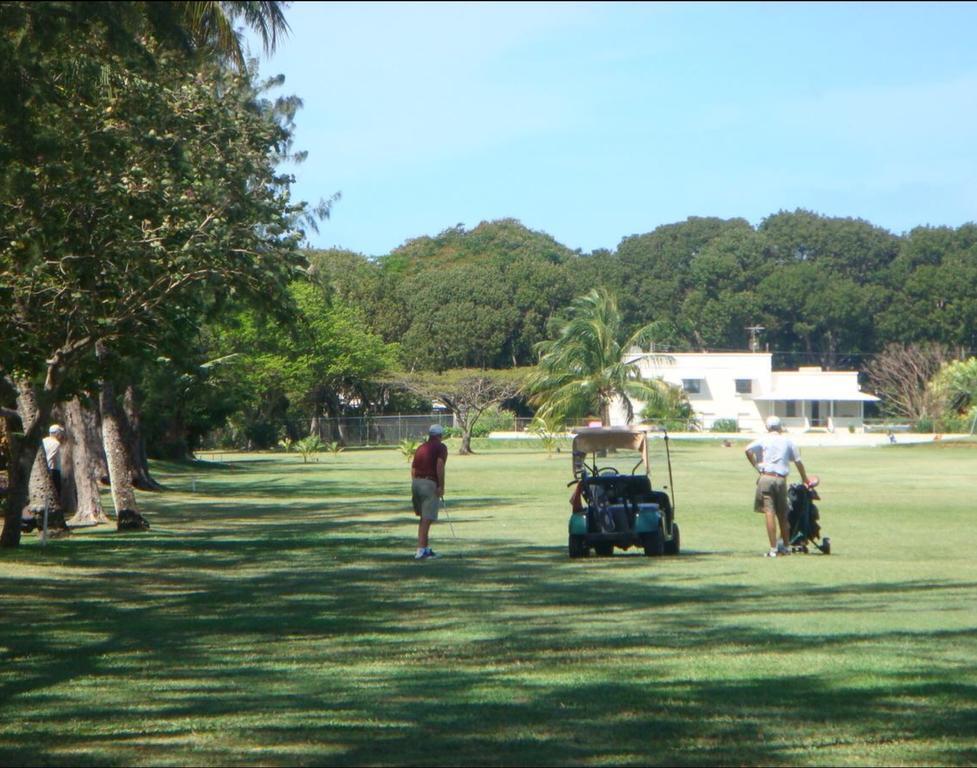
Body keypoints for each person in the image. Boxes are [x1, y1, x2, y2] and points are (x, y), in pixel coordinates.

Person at [745, 415, 811, 558]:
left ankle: (773, 548)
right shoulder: (787, 441)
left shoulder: (764, 439)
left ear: (767, 427)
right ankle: (786, 547)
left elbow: (747, 449)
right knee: (783, 513)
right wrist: (805, 478)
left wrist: (757, 467)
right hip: (781, 479)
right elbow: (798, 462)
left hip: (766, 477)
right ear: (780, 427)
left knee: (769, 512)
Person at [411, 424, 447, 560]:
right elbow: (440, 465)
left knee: (424, 517)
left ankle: (424, 548)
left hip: (416, 482)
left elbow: (413, 467)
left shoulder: (421, 447)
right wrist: (441, 486)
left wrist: (414, 483)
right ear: (440, 436)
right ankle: (420, 550)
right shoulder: (441, 447)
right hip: (429, 483)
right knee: (427, 518)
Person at [42, 424, 66, 499]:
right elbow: (50, 457)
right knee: (56, 492)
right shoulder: (56, 443)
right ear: (57, 433)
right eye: (60, 433)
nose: (61, 435)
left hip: (44, 469)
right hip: (53, 470)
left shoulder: (43, 440)